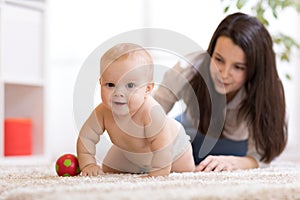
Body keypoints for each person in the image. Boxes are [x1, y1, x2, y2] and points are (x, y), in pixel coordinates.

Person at [153, 12, 288, 172]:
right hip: (192, 139)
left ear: (254, 70)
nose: (223, 74)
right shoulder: (188, 69)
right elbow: (152, 111)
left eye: (238, 67)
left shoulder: (267, 93)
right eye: (218, 59)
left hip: (239, 151)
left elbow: (261, 157)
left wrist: (236, 163)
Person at [76, 43, 195, 177]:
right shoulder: (102, 112)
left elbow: (163, 147)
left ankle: (163, 166)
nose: (119, 93)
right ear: (101, 83)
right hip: (129, 152)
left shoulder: (151, 112)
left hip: (173, 148)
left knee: (185, 169)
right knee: (109, 168)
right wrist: (88, 164)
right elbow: (86, 137)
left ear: (147, 89)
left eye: (130, 85)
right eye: (110, 85)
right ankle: (140, 166)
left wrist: (158, 172)